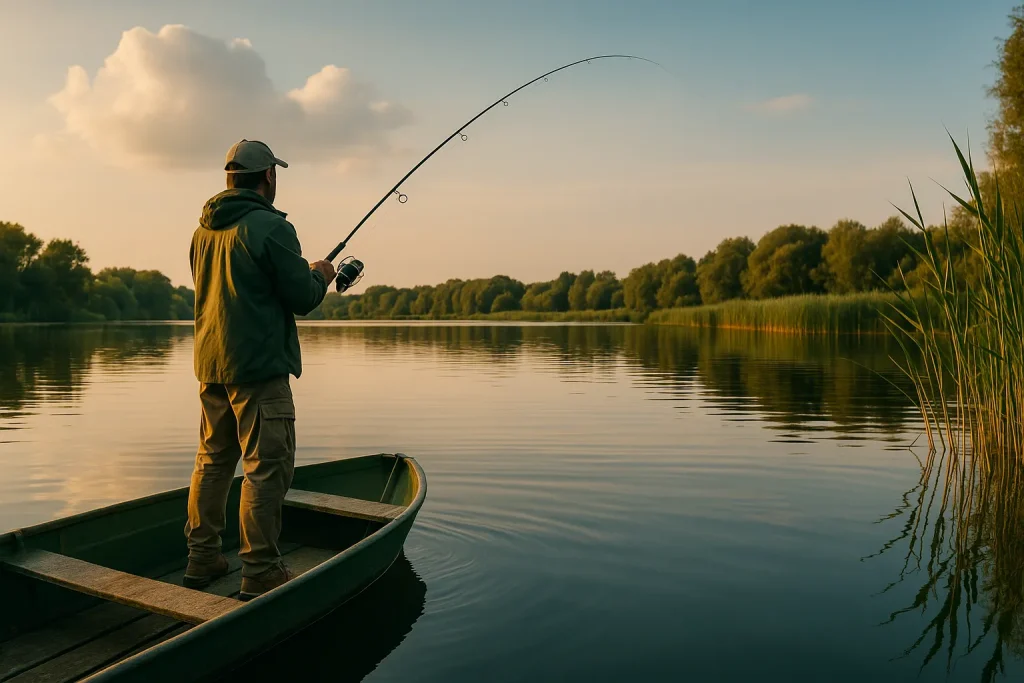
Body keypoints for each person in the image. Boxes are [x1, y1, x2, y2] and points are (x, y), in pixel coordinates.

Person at [183, 139, 336, 600]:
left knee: (211, 463)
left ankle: (202, 558)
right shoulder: (271, 228)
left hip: (212, 365)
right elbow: (303, 297)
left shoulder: (201, 233)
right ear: (268, 176)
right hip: (259, 369)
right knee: (266, 470)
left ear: (231, 178)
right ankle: (261, 570)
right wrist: (323, 274)